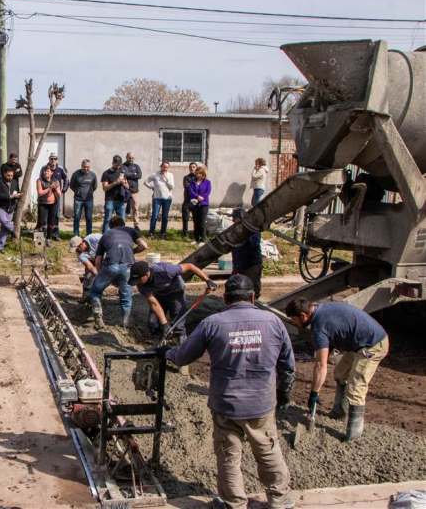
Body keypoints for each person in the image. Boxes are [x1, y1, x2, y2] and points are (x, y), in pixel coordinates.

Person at [165, 274, 295, 509]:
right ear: (253, 297)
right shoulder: (273, 322)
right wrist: (285, 393)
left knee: (228, 457)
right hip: (261, 404)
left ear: (226, 299)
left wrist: (167, 353)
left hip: (226, 405)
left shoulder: (212, 323)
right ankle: (279, 500)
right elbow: (288, 364)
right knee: (268, 452)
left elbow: (183, 356)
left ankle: (234, 504)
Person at [285, 298, 389, 442]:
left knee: (356, 388)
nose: (294, 323)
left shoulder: (319, 327)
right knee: (340, 373)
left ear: (303, 316)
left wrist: (314, 394)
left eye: (294, 320)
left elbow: (321, 366)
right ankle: (339, 412)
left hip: (373, 344)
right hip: (358, 343)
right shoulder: (319, 308)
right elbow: (335, 331)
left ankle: (353, 434)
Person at [129, 260, 216, 337]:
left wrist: (207, 280)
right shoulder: (141, 285)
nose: (137, 282)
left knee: (178, 322)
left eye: (138, 279)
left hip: (176, 292)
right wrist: (164, 323)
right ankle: (159, 340)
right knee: (153, 322)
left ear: (146, 274)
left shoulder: (166, 270)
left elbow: (190, 266)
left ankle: (181, 343)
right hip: (159, 295)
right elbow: (154, 303)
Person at [88, 216, 148, 329]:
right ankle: (125, 323)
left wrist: (100, 274)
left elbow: (98, 260)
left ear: (110, 226)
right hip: (128, 267)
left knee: (95, 291)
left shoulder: (106, 235)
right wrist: (132, 251)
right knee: (126, 296)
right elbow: (144, 246)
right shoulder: (131, 230)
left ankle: (98, 316)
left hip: (111, 265)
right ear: (123, 224)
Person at [230, 208, 263, 299]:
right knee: (237, 284)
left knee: (253, 285)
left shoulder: (253, 229)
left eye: (235, 218)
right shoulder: (234, 230)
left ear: (241, 218)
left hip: (251, 264)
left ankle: (255, 300)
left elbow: (253, 244)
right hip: (239, 263)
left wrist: (242, 236)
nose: (233, 220)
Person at [40, 152, 68, 240]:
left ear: (57, 160)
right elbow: (40, 179)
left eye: (55, 158)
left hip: (56, 195)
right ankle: (44, 234)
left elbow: (66, 179)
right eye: (51, 158)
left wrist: (63, 190)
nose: (53, 160)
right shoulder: (44, 168)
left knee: (55, 215)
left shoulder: (60, 168)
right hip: (46, 196)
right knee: (44, 216)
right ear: (49, 159)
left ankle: (55, 234)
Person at [0, 167, 21, 253]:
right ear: (4, 174)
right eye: (8, 175)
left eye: (12, 175)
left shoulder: (15, 182)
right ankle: (15, 231)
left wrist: (18, 195)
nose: (10, 177)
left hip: (10, 208)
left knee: (4, 229)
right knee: (6, 223)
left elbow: (17, 191)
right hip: (0, 207)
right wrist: (10, 197)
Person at [144, 160, 175, 238]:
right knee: (154, 215)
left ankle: (163, 233)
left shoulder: (170, 175)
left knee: (165, 216)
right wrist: (151, 187)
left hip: (167, 199)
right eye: (164, 167)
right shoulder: (155, 175)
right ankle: (151, 233)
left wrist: (165, 179)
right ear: (161, 166)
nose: (165, 168)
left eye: (167, 167)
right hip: (157, 198)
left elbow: (172, 187)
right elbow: (145, 181)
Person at [101, 155, 130, 233]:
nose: (118, 166)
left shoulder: (122, 172)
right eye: (117, 164)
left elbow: (128, 186)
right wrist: (115, 183)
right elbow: (105, 188)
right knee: (108, 219)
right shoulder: (106, 173)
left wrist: (124, 183)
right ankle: (105, 236)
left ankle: (121, 235)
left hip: (121, 199)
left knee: (122, 220)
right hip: (110, 199)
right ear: (113, 163)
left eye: (120, 164)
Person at [69, 232, 102, 301]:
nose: (77, 251)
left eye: (77, 249)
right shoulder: (81, 255)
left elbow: (109, 241)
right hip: (93, 260)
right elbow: (90, 267)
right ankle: (86, 297)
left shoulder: (94, 238)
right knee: (88, 276)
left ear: (81, 243)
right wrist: (97, 275)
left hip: (106, 256)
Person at [69, 159, 98, 236]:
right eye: (84, 167)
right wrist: (78, 192)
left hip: (89, 200)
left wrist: (89, 193)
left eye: (87, 167)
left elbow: (95, 186)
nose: (86, 168)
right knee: (77, 217)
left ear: (90, 167)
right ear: (81, 166)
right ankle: (76, 235)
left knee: (89, 218)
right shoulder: (76, 174)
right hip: (78, 199)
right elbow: (71, 185)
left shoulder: (93, 175)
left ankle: (89, 234)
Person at [36, 166, 61, 244]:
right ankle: (39, 241)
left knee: (51, 222)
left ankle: (48, 239)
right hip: (43, 204)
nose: (45, 173)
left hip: (53, 203)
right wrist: (49, 188)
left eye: (47, 171)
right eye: (44, 171)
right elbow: (40, 193)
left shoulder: (56, 181)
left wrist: (55, 189)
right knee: (42, 222)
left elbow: (59, 194)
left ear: (51, 173)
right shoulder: (39, 180)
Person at [188, 165, 211, 244]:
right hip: (195, 204)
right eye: (197, 173)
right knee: (196, 222)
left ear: (203, 174)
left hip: (204, 204)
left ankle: (203, 239)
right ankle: (196, 239)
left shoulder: (207, 182)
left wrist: (202, 197)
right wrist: (197, 196)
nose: (198, 175)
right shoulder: (192, 182)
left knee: (202, 222)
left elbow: (207, 192)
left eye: (200, 173)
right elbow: (190, 192)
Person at [123, 153, 143, 229]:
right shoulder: (122, 166)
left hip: (135, 191)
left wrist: (127, 174)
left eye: (132, 158)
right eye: (129, 158)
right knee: (123, 208)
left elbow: (139, 175)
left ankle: (136, 225)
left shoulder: (136, 166)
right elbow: (122, 176)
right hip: (124, 191)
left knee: (135, 208)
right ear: (126, 157)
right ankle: (122, 224)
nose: (131, 159)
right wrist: (133, 174)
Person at [181, 162, 198, 237]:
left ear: (196, 168)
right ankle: (185, 234)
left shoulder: (199, 177)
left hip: (196, 201)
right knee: (185, 218)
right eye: (191, 167)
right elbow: (187, 187)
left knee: (196, 219)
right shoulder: (186, 177)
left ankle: (195, 234)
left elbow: (200, 188)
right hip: (187, 201)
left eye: (194, 167)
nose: (192, 168)